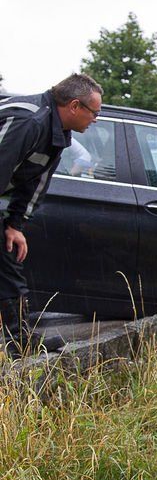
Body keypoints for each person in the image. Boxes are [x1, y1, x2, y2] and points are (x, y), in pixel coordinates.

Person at [0, 73, 103, 358]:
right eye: (94, 112)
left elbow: (36, 182)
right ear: (74, 106)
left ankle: (20, 341)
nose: (95, 119)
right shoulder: (29, 122)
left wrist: (14, 224)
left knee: (7, 256)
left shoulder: (57, 133)